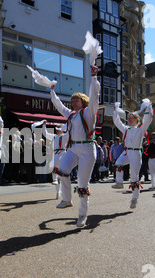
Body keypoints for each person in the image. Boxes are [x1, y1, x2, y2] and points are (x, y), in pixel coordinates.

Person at [50, 65, 100, 227]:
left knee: (82, 184)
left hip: (87, 149)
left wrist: (93, 77)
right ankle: (66, 199)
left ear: (83, 102)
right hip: (72, 149)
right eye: (72, 101)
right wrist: (52, 91)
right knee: (63, 171)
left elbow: (94, 97)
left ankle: (82, 216)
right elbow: (59, 106)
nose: (73, 103)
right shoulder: (71, 115)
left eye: (76, 100)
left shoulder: (89, 112)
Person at [111, 99, 153, 209]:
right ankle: (119, 182)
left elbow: (148, 120)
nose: (129, 119)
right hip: (127, 151)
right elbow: (117, 122)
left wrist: (148, 107)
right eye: (128, 118)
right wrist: (115, 111)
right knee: (118, 163)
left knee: (134, 176)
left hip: (136, 153)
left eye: (132, 118)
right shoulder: (126, 129)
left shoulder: (141, 129)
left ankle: (134, 198)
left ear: (137, 119)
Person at [42, 121, 68, 200]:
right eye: (57, 129)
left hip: (62, 154)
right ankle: (58, 191)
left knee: (52, 164)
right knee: (57, 173)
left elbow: (70, 132)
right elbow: (45, 134)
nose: (57, 130)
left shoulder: (65, 136)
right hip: (56, 154)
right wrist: (44, 125)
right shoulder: (54, 136)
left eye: (59, 129)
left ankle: (56, 180)